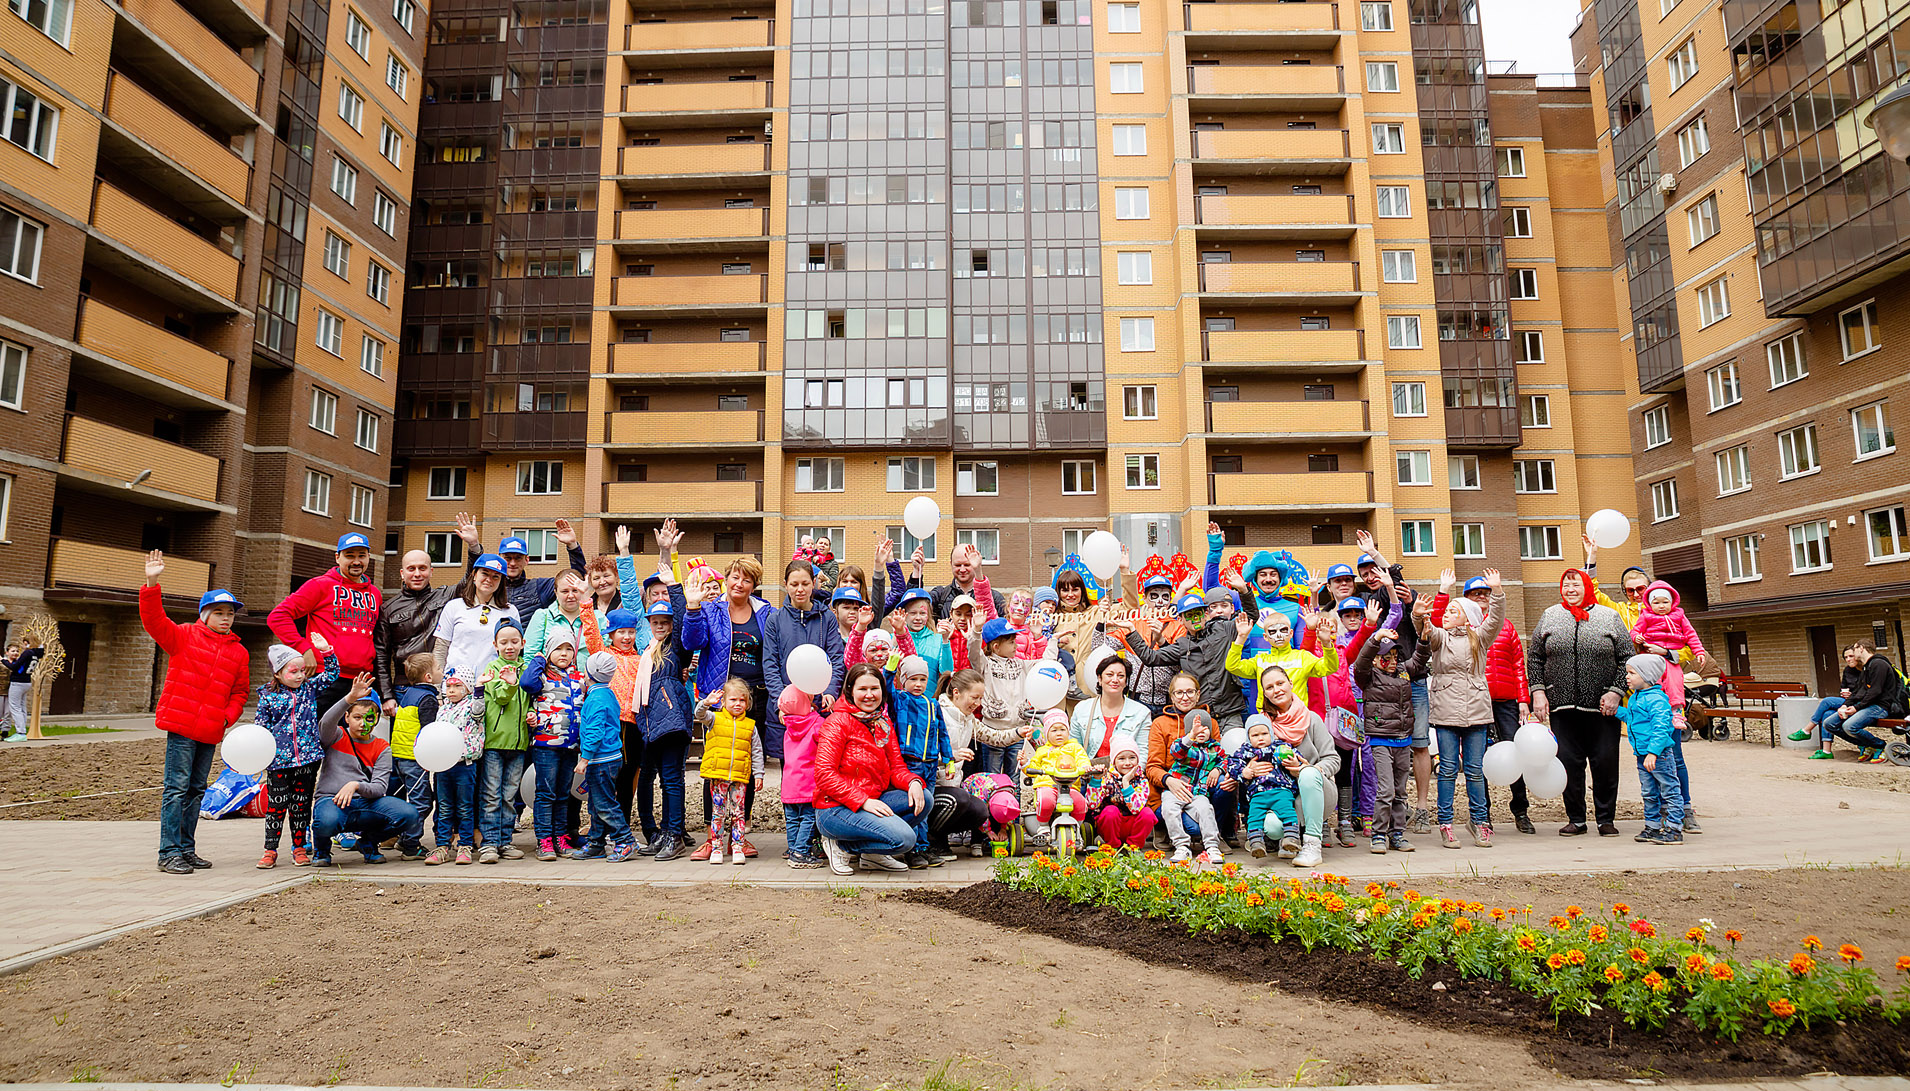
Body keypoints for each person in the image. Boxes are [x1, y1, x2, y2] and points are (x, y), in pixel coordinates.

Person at [140, 551, 251, 875]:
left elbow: (240, 692)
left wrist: (226, 717)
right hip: (182, 726)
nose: (226, 618)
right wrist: (152, 582)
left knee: (196, 790)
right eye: (218, 612)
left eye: (230, 613)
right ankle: (168, 852)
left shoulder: (239, 651)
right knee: (176, 788)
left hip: (211, 729)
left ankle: (186, 849)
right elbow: (154, 620)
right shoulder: (184, 636)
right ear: (204, 615)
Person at [1527, 567, 1630, 836]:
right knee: (1569, 763)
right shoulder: (1550, 616)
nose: (1570, 590)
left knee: (1605, 763)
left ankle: (1606, 819)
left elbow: (1626, 659)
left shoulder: (1609, 617)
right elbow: (1535, 658)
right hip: (1562, 706)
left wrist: (1616, 691)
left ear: (1586, 587)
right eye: (1566, 585)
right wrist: (1538, 692)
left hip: (1603, 707)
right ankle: (1576, 819)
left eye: (1576, 585)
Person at [1433, 576, 1533, 834]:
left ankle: (1518, 811)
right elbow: (1431, 626)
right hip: (1463, 705)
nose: (1480, 596)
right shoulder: (1444, 635)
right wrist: (1442, 593)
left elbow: (1518, 664)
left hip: (1497, 703)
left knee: (1510, 755)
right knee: (1459, 767)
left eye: (1484, 593)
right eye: (1473, 593)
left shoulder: (1497, 629)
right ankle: (1478, 817)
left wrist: (1523, 699)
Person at [812, 662, 929, 875]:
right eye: (862, 689)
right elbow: (824, 774)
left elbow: (896, 767)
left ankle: (872, 855)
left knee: (924, 798)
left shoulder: (882, 722)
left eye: (874, 689)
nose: (869, 695)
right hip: (835, 809)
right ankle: (840, 846)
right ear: (850, 691)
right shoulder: (837, 722)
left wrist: (913, 782)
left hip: (873, 799)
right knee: (905, 839)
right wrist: (863, 801)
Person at [1422, 568, 1505, 850]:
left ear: (1468, 616)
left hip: (1477, 712)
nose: (1447, 613)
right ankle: (1445, 823)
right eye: (1447, 609)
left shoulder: (1479, 638)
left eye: (1453, 610)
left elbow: (1495, 619)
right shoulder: (1439, 638)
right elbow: (1427, 624)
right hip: (1446, 712)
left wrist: (1498, 592)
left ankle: (1479, 822)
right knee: (1446, 769)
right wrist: (1441, 593)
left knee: (1474, 769)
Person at [374, 513, 482, 714]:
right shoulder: (388, 608)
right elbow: (381, 655)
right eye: (411, 569)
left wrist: (474, 546)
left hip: (442, 686)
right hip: (403, 687)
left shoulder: (446, 596)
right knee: (405, 741)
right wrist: (386, 695)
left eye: (422, 568)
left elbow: (470, 579)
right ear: (402, 573)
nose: (417, 573)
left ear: (431, 571)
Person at [310, 673, 421, 868]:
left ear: (377, 718)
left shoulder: (382, 747)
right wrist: (349, 699)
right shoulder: (336, 736)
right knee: (327, 820)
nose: (363, 723)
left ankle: (369, 842)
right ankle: (321, 847)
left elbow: (379, 788)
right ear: (347, 717)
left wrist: (355, 786)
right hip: (332, 800)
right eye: (357, 717)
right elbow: (326, 722)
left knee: (409, 814)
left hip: (366, 803)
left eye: (369, 718)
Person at [266, 531, 383, 711]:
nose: (356, 561)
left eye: (362, 555)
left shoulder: (374, 594)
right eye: (349, 556)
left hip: (361, 680)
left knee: (351, 738)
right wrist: (303, 649)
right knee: (318, 735)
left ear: (369, 557)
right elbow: (278, 616)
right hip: (326, 677)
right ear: (337, 557)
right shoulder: (320, 585)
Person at [253, 637, 342, 869]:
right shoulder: (267, 697)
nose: (300, 675)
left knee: (301, 805)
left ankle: (299, 848)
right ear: (277, 674)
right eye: (293, 671)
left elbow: (332, 674)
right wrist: (259, 755)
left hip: (308, 759)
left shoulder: (309, 688)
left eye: (303, 670)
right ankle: (270, 850)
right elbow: (261, 729)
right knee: (276, 806)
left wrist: (326, 651)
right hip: (279, 762)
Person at [1123, 588, 1248, 733]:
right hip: (1201, 714)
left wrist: (1244, 591)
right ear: (1181, 620)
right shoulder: (1182, 645)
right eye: (1190, 615)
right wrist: (1132, 631)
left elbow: (1250, 617)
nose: (1195, 618)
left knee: (1233, 749)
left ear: (1206, 615)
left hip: (1230, 712)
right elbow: (1150, 657)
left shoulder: (1222, 629)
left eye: (1198, 613)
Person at [1251, 666, 1339, 868]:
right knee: (1272, 827)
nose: (1277, 690)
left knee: (1308, 774)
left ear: (1290, 684)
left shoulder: (1312, 719)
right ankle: (1287, 839)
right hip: (1282, 795)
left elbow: (1333, 759)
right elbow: (1248, 755)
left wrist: (1307, 768)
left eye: (1280, 683)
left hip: (1318, 791)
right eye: (1270, 687)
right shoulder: (1263, 725)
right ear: (1264, 693)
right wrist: (1250, 768)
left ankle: (1312, 844)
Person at [1353, 624, 1429, 853]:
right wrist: (1376, 638)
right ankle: (1378, 834)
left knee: (1400, 790)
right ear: (1376, 660)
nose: (1393, 661)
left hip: (1403, 740)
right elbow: (1361, 661)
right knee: (1386, 790)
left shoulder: (1403, 672)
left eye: (1395, 656)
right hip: (1381, 740)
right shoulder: (1368, 676)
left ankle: (1397, 833)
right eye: (1386, 657)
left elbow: (1418, 661)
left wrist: (1423, 640)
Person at [522, 629, 585, 861]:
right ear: (549, 652)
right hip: (545, 743)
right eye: (558, 648)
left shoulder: (578, 678)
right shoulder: (542, 676)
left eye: (569, 648)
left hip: (570, 745)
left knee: (563, 794)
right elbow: (526, 683)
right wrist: (539, 659)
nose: (564, 653)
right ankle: (544, 841)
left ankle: (560, 837)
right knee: (546, 793)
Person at [573, 651, 639, 862]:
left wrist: (585, 758)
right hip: (610, 757)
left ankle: (625, 840)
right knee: (596, 802)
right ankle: (596, 843)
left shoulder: (596, 699)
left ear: (589, 674)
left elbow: (594, 730)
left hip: (600, 759)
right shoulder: (608, 693)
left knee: (604, 804)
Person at [888, 654, 953, 868]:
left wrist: (949, 758)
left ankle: (923, 847)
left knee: (926, 807)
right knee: (913, 806)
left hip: (930, 763)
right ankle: (912, 849)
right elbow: (887, 692)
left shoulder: (933, 704)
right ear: (904, 680)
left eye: (922, 680)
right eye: (913, 679)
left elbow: (942, 732)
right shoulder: (901, 700)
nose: (918, 684)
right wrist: (890, 671)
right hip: (910, 762)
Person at [477, 617, 531, 863]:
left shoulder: (528, 670)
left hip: (518, 744)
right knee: (491, 795)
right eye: (504, 642)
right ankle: (489, 843)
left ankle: (505, 841)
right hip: (495, 743)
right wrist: (509, 685)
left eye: (514, 641)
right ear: (495, 644)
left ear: (523, 643)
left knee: (509, 795)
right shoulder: (492, 669)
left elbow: (533, 700)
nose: (509, 646)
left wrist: (534, 714)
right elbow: (499, 697)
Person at [931, 667, 999, 858]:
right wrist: (952, 756)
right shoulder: (938, 715)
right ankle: (933, 841)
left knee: (979, 810)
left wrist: (1019, 733)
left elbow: (995, 737)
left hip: (952, 784)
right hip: (934, 786)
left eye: (980, 698)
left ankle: (941, 837)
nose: (977, 704)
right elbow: (925, 754)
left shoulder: (968, 719)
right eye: (974, 698)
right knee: (959, 800)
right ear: (956, 693)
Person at [698, 679, 764, 865]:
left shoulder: (750, 726)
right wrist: (706, 702)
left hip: (740, 777)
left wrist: (758, 774)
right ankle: (716, 847)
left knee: (739, 813)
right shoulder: (714, 719)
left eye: (742, 700)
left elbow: (757, 751)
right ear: (724, 702)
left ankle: (737, 846)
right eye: (733, 699)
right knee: (717, 813)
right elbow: (699, 714)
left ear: (748, 703)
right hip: (718, 776)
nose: (737, 704)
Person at [422, 667, 483, 865]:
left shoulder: (471, 706)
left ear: (467, 688)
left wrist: (480, 688)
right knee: (444, 807)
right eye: (448, 686)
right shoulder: (443, 708)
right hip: (443, 766)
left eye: (457, 686)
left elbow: (479, 710)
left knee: (465, 807)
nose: (452, 690)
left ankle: (464, 845)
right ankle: (441, 847)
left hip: (464, 765)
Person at [1619, 654, 1682, 844]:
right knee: (1648, 791)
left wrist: (1653, 752)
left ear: (1646, 676)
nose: (1627, 677)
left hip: (1658, 755)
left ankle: (1674, 828)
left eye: (1632, 673)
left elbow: (1662, 728)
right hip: (1642, 755)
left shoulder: (1656, 700)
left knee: (1669, 790)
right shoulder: (1635, 698)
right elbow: (1632, 719)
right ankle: (1652, 826)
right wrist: (1615, 711)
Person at [1812, 640, 1906, 762]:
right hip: (1867, 706)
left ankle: (1880, 745)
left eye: (1854, 650)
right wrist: (1845, 706)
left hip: (1880, 707)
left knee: (1849, 726)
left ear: (1861, 648)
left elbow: (1875, 691)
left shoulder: (1879, 664)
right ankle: (1867, 744)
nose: (1853, 653)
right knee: (1829, 723)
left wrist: (1856, 708)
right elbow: (1857, 692)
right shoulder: (1866, 667)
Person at [1631, 581, 1705, 732]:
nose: (1661, 606)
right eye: (1656, 603)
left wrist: (1699, 651)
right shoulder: (1646, 616)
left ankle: (1677, 712)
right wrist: (1636, 637)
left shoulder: (1679, 616)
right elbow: (1634, 631)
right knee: (1653, 683)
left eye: (1665, 602)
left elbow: (1691, 635)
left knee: (1675, 682)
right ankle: (1654, 711)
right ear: (1650, 604)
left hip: (1671, 655)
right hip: (1652, 657)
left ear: (1672, 602)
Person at [432, 554, 518, 684]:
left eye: (495, 576)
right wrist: (437, 689)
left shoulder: (510, 611)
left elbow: (514, 653)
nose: (489, 579)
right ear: (474, 575)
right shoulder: (454, 606)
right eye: (485, 573)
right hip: (455, 687)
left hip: (493, 686)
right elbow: (441, 649)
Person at [388, 653, 441, 861]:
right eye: (438, 667)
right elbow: (429, 731)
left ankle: (405, 837)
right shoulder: (427, 698)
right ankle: (410, 843)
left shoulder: (408, 693)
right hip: (414, 757)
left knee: (416, 798)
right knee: (423, 802)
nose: (441, 671)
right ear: (428, 676)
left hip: (400, 756)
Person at [1160, 709, 1226, 864]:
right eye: (1196, 728)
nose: (1201, 731)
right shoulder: (1184, 745)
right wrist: (1190, 737)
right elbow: (1176, 752)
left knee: (1206, 810)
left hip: (1197, 792)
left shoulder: (1215, 748)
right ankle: (1181, 845)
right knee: (1169, 809)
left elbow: (1225, 760)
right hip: (1176, 790)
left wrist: (1218, 769)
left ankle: (1212, 846)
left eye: (1205, 728)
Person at [1226, 715, 1297, 858]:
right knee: (1254, 817)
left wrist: (1294, 763)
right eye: (1255, 735)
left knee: (1288, 812)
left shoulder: (1279, 747)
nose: (1260, 738)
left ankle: (1291, 838)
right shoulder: (1245, 751)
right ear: (1248, 738)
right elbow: (1232, 765)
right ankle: (1256, 843)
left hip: (1281, 790)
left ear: (1271, 734)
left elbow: (1295, 756)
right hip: (1257, 794)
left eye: (1264, 734)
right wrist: (1244, 772)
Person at [1069, 653, 1153, 770]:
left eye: (1121, 676)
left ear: (1126, 681)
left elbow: (1143, 754)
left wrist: (1129, 778)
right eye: (1109, 675)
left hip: (1125, 778)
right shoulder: (1082, 709)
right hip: (1089, 775)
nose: (1115, 680)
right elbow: (1072, 747)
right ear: (1099, 679)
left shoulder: (1141, 713)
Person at [493, 520, 587, 620]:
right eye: (507, 558)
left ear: (527, 560)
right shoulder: (490, 588)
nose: (512, 563)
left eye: (518, 558)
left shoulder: (539, 588)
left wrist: (572, 546)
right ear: (499, 559)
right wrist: (474, 548)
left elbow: (577, 580)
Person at [778, 686, 826, 868]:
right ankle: (801, 852)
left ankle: (792, 849)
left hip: (789, 784)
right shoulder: (816, 723)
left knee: (792, 820)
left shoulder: (788, 725)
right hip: (808, 783)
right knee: (808, 818)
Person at [1796, 645, 1865, 755]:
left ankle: (1807, 730)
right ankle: (1826, 751)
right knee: (1827, 714)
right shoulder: (1847, 670)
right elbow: (1843, 687)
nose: (1848, 659)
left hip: (1861, 704)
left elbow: (1867, 691)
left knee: (1826, 701)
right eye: (1846, 657)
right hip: (1847, 702)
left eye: (1851, 656)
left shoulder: (1865, 670)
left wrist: (1852, 695)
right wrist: (1843, 693)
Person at [1091, 736, 1155, 850]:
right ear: (1114, 761)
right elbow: (1092, 804)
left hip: (1132, 825)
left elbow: (1135, 809)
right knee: (1110, 811)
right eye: (1121, 759)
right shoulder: (1106, 778)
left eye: (1132, 758)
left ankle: (1132, 849)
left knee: (1148, 813)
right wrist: (1096, 780)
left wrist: (1126, 783)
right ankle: (1113, 848)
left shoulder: (1142, 780)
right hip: (1111, 825)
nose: (1127, 763)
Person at [931, 542, 1007, 619]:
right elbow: (920, 610)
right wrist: (918, 575)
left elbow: (1007, 626)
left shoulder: (994, 598)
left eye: (967, 565)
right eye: (958, 565)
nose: (962, 569)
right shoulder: (940, 596)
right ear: (951, 564)